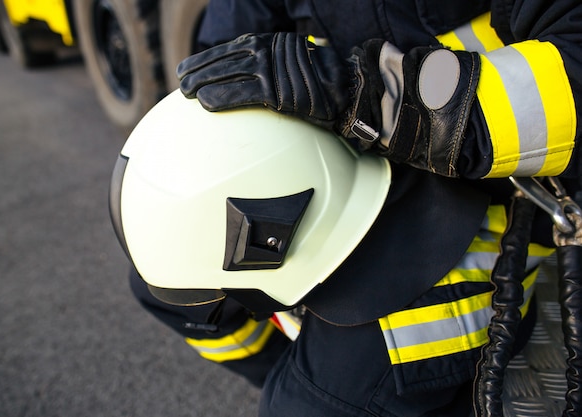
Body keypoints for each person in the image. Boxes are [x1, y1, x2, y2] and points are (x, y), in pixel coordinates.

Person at [128, 1, 582, 416]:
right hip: (343, 175)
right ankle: (297, 374)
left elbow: (572, 75)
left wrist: (379, 96)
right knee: (165, 282)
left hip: (495, 194)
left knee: (306, 407)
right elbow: (230, 49)